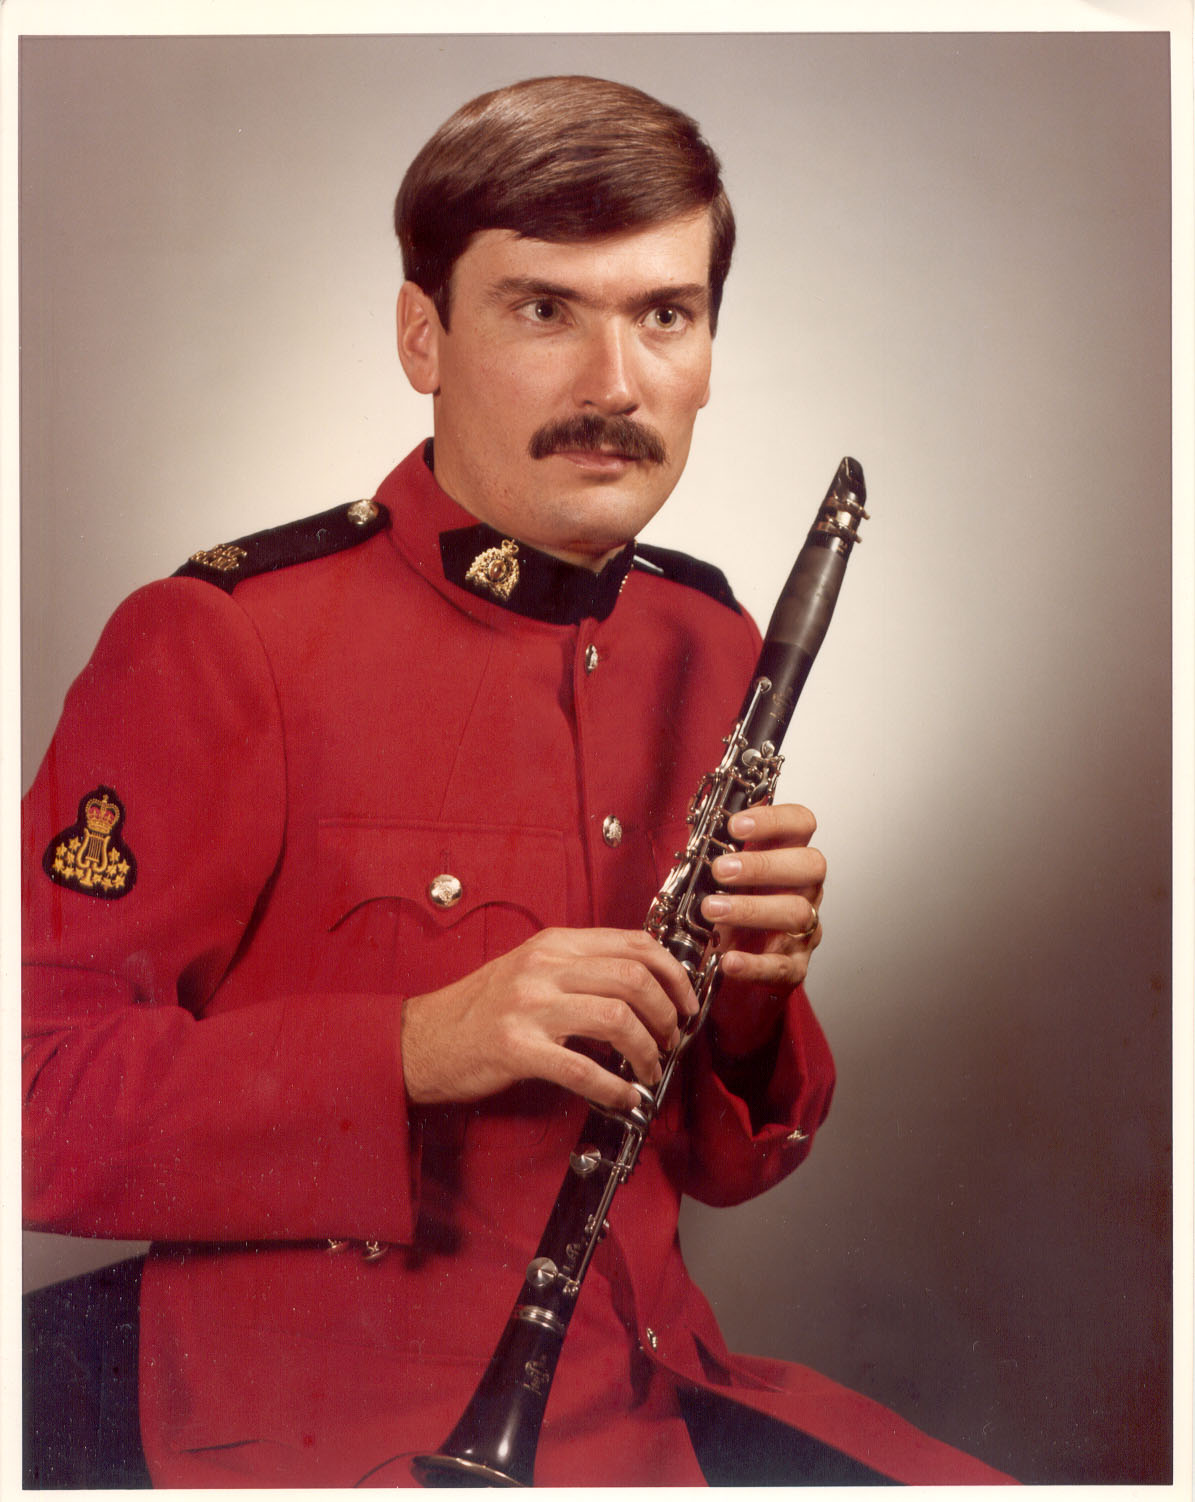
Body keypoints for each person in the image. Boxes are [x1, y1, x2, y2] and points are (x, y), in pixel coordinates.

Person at [22, 75, 1010, 1487]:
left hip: (651, 1390)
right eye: (545, 309)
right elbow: (31, 1097)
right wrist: (418, 1045)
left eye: (664, 314)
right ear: (422, 335)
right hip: (329, 1429)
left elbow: (727, 1165)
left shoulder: (707, 639)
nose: (615, 385)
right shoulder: (226, 640)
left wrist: (751, 998)